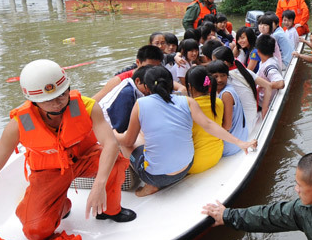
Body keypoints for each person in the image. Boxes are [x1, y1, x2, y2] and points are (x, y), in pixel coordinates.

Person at [0, 59, 135, 240]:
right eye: (49, 99)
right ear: (33, 100)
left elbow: (110, 144)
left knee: (115, 162)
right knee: (36, 233)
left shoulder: (87, 106)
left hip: (84, 158)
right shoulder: (18, 125)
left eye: (62, 94)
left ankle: (110, 210)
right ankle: (60, 206)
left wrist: (99, 185)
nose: (58, 103)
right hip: (49, 171)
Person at [115, 67, 255, 197]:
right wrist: (240, 143)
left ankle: (149, 185)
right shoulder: (187, 101)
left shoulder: (140, 104)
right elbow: (209, 125)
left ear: (146, 87)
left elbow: (128, 141)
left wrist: (115, 134)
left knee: (125, 141)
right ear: (171, 83)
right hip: (185, 168)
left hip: (156, 177)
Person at [183, 66, 225, 175]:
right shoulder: (218, 102)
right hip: (217, 155)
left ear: (189, 87)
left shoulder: (186, 107)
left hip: (194, 165)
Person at [92, 44, 165, 102]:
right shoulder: (119, 80)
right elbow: (93, 102)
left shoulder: (159, 75)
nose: (152, 71)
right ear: (138, 62)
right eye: (149, 66)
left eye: (156, 67)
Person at [255, 34, 284, 113]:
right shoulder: (269, 60)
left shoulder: (269, 66)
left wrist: (265, 85)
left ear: (258, 51)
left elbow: (281, 83)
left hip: (263, 102)